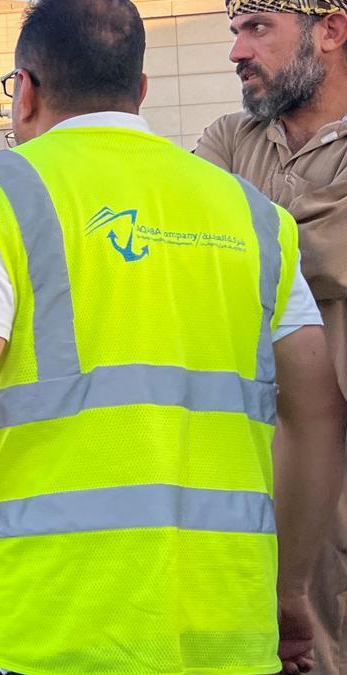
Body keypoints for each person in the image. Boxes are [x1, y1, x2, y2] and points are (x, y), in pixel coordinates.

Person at [0, 2, 344, 674]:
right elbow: (315, 413)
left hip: (59, 626)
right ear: (139, 91)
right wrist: (288, 589)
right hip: (229, 624)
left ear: (26, 91)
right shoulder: (254, 216)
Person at [195, 3, 347, 670]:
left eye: (256, 28)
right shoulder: (229, 137)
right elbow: (197, 255)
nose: (236, 52)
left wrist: (248, 229)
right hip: (253, 466)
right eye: (234, 31)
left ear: (332, 30)